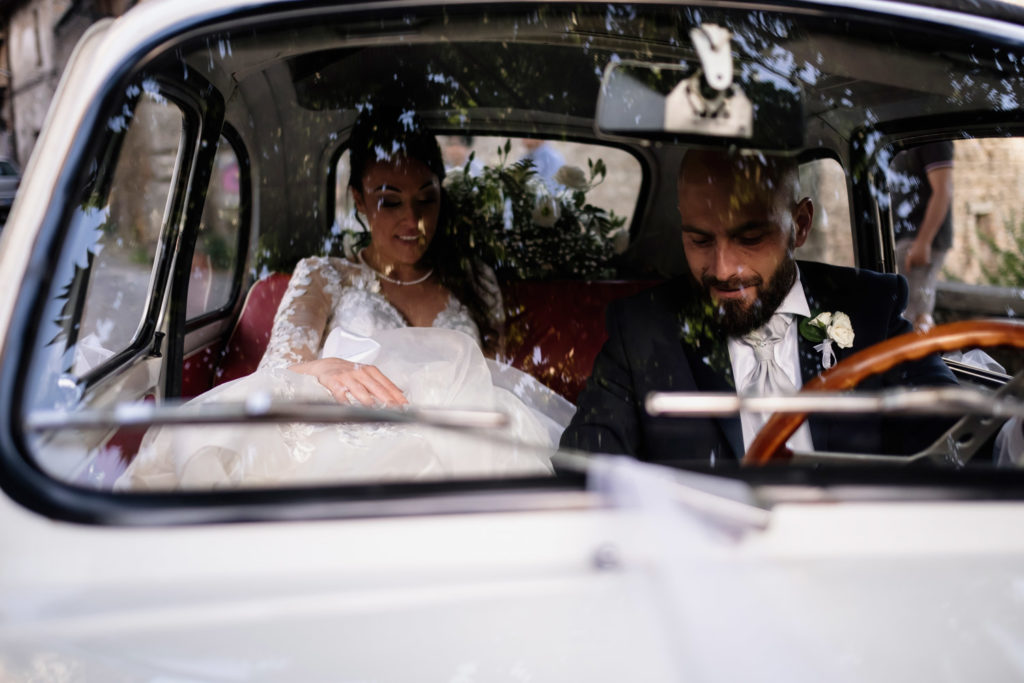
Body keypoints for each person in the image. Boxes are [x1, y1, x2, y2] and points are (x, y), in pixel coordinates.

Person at [116, 109, 573, 490]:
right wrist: (327, 367)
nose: (412, 220)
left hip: (463, 453)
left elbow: (498, 382)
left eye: (426, 199)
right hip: (349, 445)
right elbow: (281, 368)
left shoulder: (476, 282)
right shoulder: (324, 274)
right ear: (358, 199)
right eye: (390, 201)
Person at [560, 148, 958, 465]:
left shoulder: (870, 308)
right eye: (699, 241)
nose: (722, 270)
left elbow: (955, 439)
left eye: (750, 238)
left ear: (799, 225)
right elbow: (585, 467)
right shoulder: (643, 329)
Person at [890, 141, 954, 332]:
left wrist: (924, 242)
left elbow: (943, 190)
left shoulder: (932, 139)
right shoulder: (899, 143)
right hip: (905, 236)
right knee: (907, 314)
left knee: (915, 316)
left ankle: (924, 360)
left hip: (918, 238)